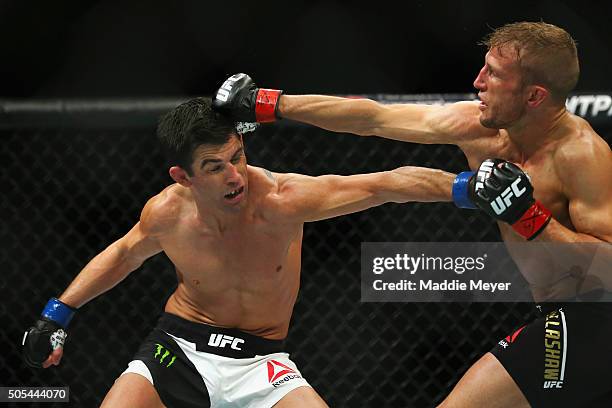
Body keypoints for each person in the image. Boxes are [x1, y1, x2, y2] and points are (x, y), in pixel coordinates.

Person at [214, 22, 612, 407]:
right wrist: (268, 103)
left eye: (493, 74)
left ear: (534, 96)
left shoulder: (581, 155)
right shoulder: (480, 127)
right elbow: (374, 119)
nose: (478, 82)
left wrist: (529, 216)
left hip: (595, 316)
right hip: (561, 313)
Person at [22, 96, 460, 407]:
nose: (235, 176)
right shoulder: (167, 213)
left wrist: (466, 188)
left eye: (238, 156)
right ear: (184, 176)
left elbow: (382, 185)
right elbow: (123, 255)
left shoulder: (281, 200)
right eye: (215, 167)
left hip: (262, 362)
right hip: (177, 348)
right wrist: (57, 313)